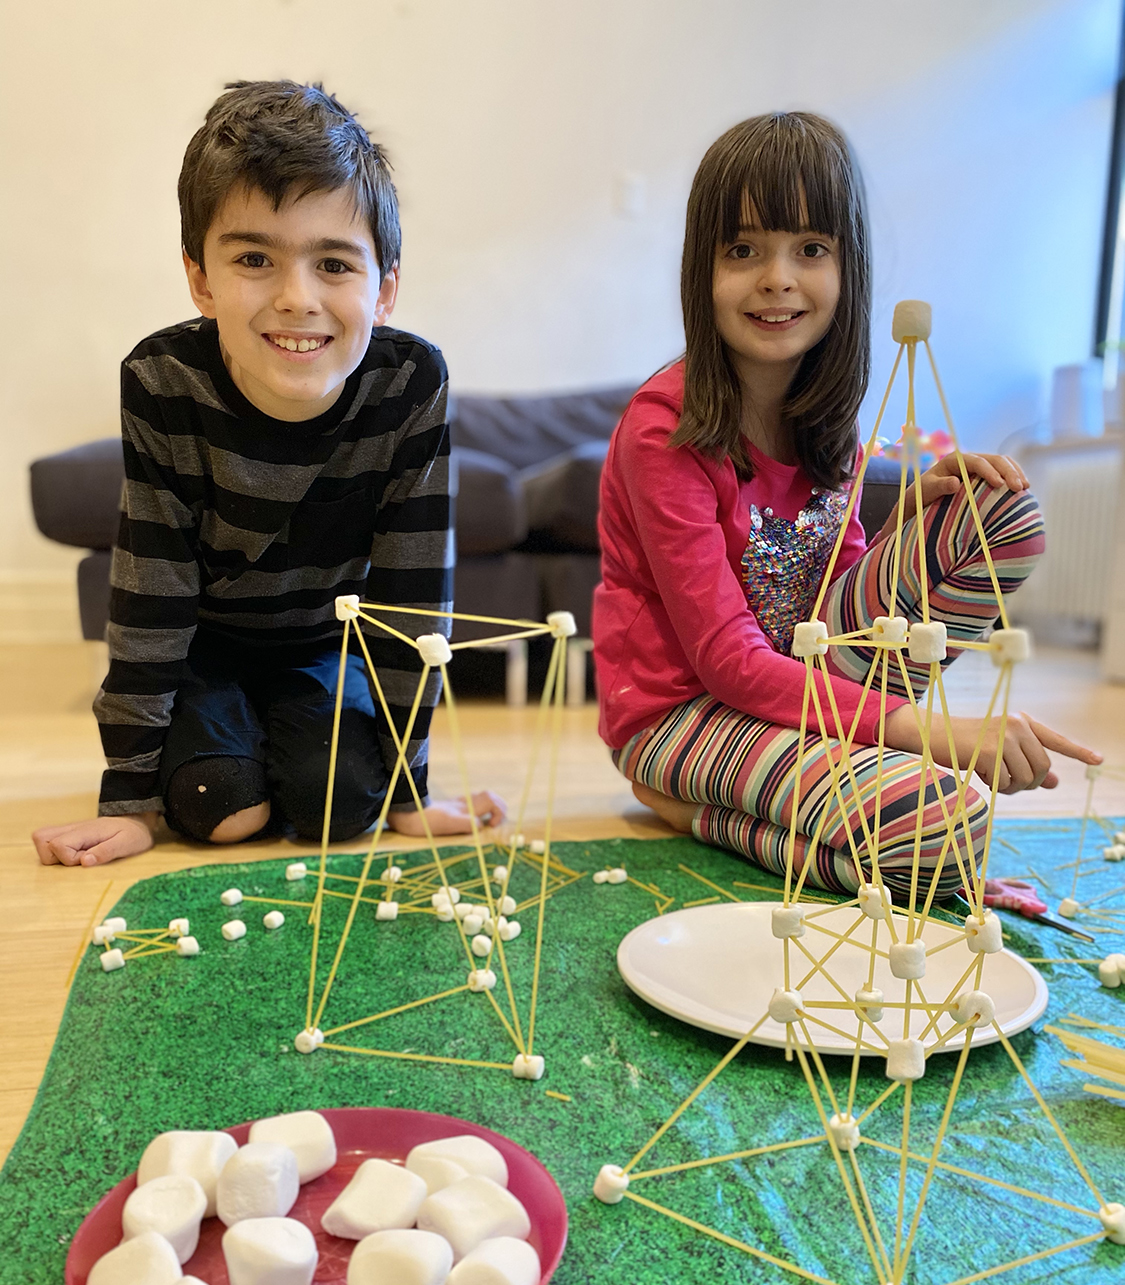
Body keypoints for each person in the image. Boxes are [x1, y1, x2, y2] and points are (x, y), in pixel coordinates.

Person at [592, 111, 1100, 897]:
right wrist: (931, 735)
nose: (776, 278)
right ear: (702, 271)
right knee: (946, 825)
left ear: (845, 266)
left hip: (795, 678)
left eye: (810, 249)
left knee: (998, 512)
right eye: (741, 251)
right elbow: (726, 661)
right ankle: (688, 808)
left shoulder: (823, 412)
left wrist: (902, 520)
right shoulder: (664, 428)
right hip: (682, 712)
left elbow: (835, 585)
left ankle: (832, 775)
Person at [33, 80, 503, 870]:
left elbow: (413, 593)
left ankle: (289, 745)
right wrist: (130, 800)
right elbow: (150, 590)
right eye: (254, 259)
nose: (296, 299)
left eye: (333, 264)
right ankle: (227, 743)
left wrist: (410, 789)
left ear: (384, 290)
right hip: (205, 651)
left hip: (323, 648)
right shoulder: (161, 380)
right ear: (201, 280)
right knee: (221, 810)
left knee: (343, 809)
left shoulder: (411, 382)